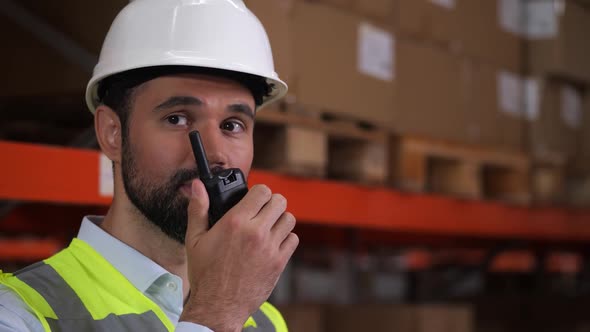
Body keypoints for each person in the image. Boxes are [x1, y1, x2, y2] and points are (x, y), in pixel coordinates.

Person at [0, 0, 299, 331]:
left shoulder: (265, 322)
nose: (216, 154)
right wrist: (216, 313)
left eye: (232, 125)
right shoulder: (21, 313)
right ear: (112, 133)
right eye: (177, 118)